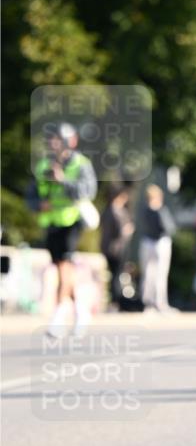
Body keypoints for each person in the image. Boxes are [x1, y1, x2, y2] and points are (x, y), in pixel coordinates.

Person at [27, 122, 97, 337]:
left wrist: (63, 180)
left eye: (58, 139)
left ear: (69, 141)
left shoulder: (81, 164)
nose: (54, 144)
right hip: (51, 222)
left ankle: (59, 315)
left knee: (65, 267)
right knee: (60, 268)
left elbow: (88, 191)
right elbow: (31, 194)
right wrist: (39, 204)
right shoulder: (43, 166)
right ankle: (81, 311)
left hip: (72, 221)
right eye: (52, 140)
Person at [139, 184, 176, 312]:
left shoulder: (144, 210)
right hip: (160, 242)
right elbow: (169, 228)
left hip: (147, 242)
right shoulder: (160, 210)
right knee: (160, 273)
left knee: (148, 273)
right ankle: (160, 302)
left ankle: (148, 303)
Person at [100, 184, 134, 309]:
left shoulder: (106, 210)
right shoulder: (117, 212)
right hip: (117, 248)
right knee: (116, 275)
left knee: (113, 274)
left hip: (107, 247)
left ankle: (113, 300)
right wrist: (128, 229)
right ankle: (115, 301)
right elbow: (121, 231)